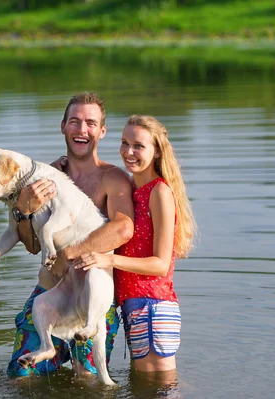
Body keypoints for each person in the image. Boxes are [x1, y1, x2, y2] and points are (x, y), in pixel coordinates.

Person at [6, 92, 134, 378]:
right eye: (74, 122)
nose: (82, 130)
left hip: (91, 295)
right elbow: (32, 245)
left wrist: (67, 255)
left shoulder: (113, 178)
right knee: (20, 378)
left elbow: (123, 228)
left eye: (91, 123)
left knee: (87, 381)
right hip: (50, 291)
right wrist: (22, 212)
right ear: (63, 126)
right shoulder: (44, 177)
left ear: (102, 131)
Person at [73, 114, 197, 374]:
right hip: (135, 306)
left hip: (153, 306)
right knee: (146, 386)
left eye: (138, 146)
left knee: (160, 388)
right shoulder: (131, 188)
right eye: (124, 143)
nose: (128, 152)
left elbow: (161, 265)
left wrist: (108, 259)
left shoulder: (159, 192)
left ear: (157, 152)